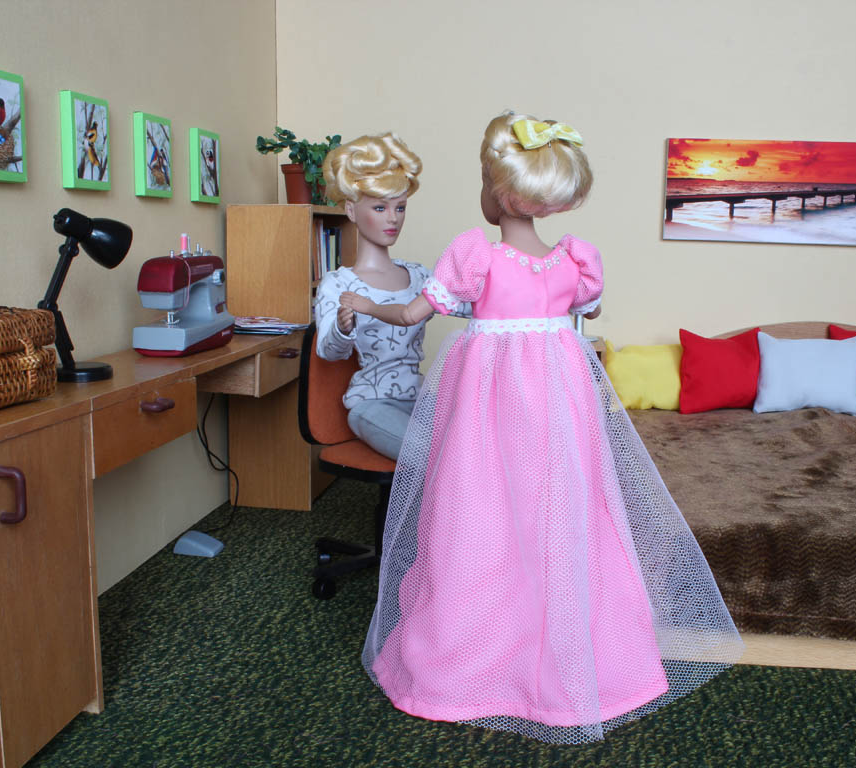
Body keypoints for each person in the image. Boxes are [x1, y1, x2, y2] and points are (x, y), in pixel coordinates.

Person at [341, 112, 744, 744]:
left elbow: (413, 313)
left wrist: (365, 304)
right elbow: (587, 314)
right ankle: (568, 659)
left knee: (475, 513)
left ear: (498, 192)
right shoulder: (573, 262)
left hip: (488, 413)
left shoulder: (475, 255)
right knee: (563, 517)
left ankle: (466, 664)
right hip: (559, 413)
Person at [314, 132, 440, 460]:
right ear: (352, 210)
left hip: (420, 398)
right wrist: (342, 327)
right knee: (432, 456)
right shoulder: (338, 284)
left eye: (400, 208)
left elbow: (470, 304)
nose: (393, 218)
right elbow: (328, 351)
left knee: (475, 445)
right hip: (371, 404)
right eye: (380, 207)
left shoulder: (420, 277)